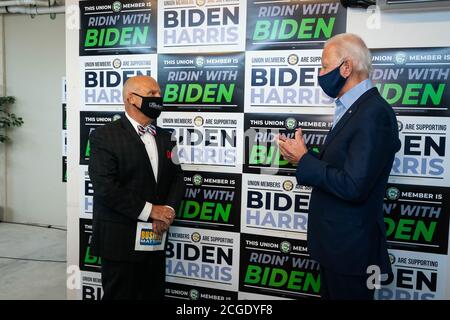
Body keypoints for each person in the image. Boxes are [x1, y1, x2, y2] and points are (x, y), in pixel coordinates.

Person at [277, 33, 401, 300]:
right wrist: (304, 156)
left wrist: (304, 160)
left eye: (324, 66)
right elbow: (345, 169)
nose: (320, 73)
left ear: (346, 67)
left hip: (351, 253)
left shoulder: (373, 114)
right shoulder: (354, 109)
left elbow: (354, 186)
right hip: (338, 249)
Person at [88, 75, 185, 300]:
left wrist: (167, 211)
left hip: (156, 238)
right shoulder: (104, 136)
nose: (158, 98)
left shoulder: (167, 137)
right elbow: (105, 187)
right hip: (119, 241)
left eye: (159, 94)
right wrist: (152, 211)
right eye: (151, 94)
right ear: (131, 98)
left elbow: (178, 178)